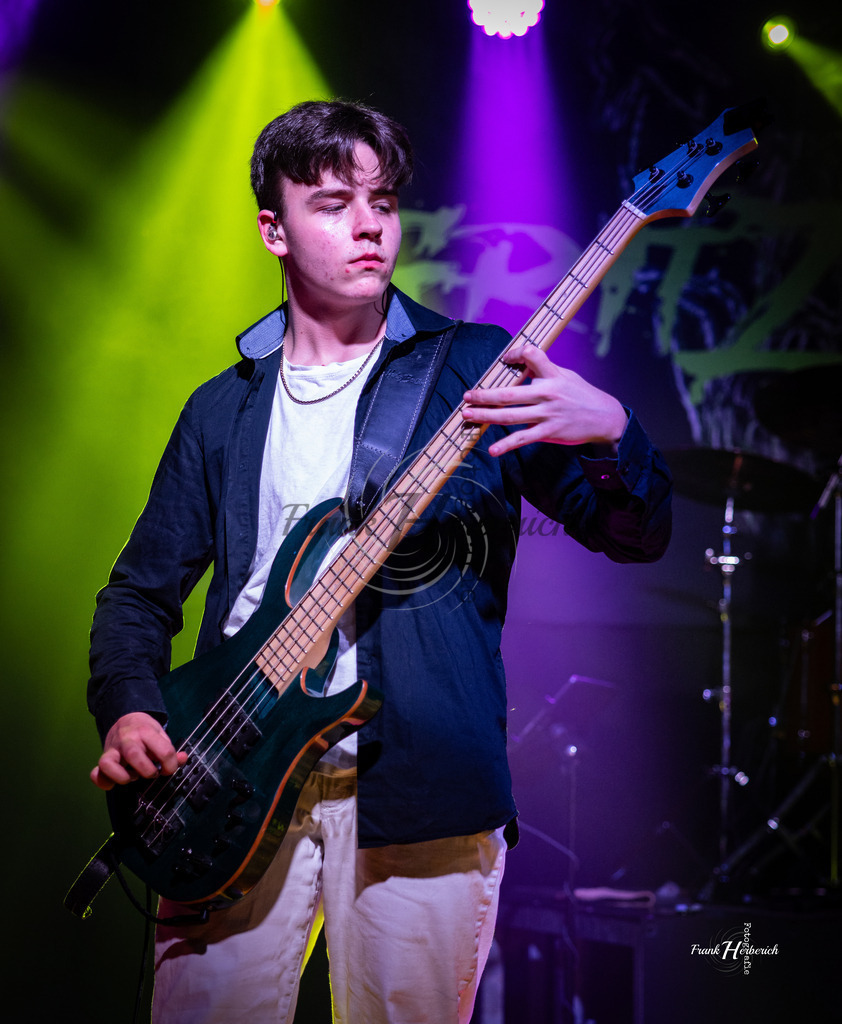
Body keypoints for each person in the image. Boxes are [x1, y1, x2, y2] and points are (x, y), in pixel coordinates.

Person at [87, 99, 672, 1023]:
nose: (370, 226)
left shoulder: (476, 369)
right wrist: (128, 707)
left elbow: (636, 534)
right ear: (273, 230)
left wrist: (611, 431)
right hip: (226, 778)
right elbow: (137, 594)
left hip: (420, 792)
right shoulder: (221, 406)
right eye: (333, 204)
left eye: (385, 202)